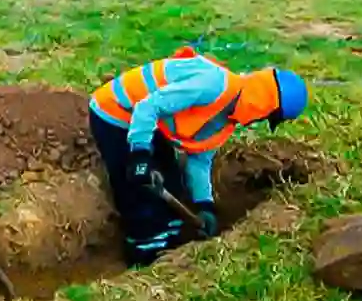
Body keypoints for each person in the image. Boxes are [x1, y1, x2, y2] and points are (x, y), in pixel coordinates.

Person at [88, 45, 308, 267]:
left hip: (153, 125)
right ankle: (144, 251)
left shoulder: (226, 118)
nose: (258, 122)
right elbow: (147, 108)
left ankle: (169, 237)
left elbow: (200, 160)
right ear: (263, 104)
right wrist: (140, 154)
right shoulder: (212, 86)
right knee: (137, 189)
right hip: (115, 113)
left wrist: (205, 205)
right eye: (266, 117)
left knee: (172, 182)